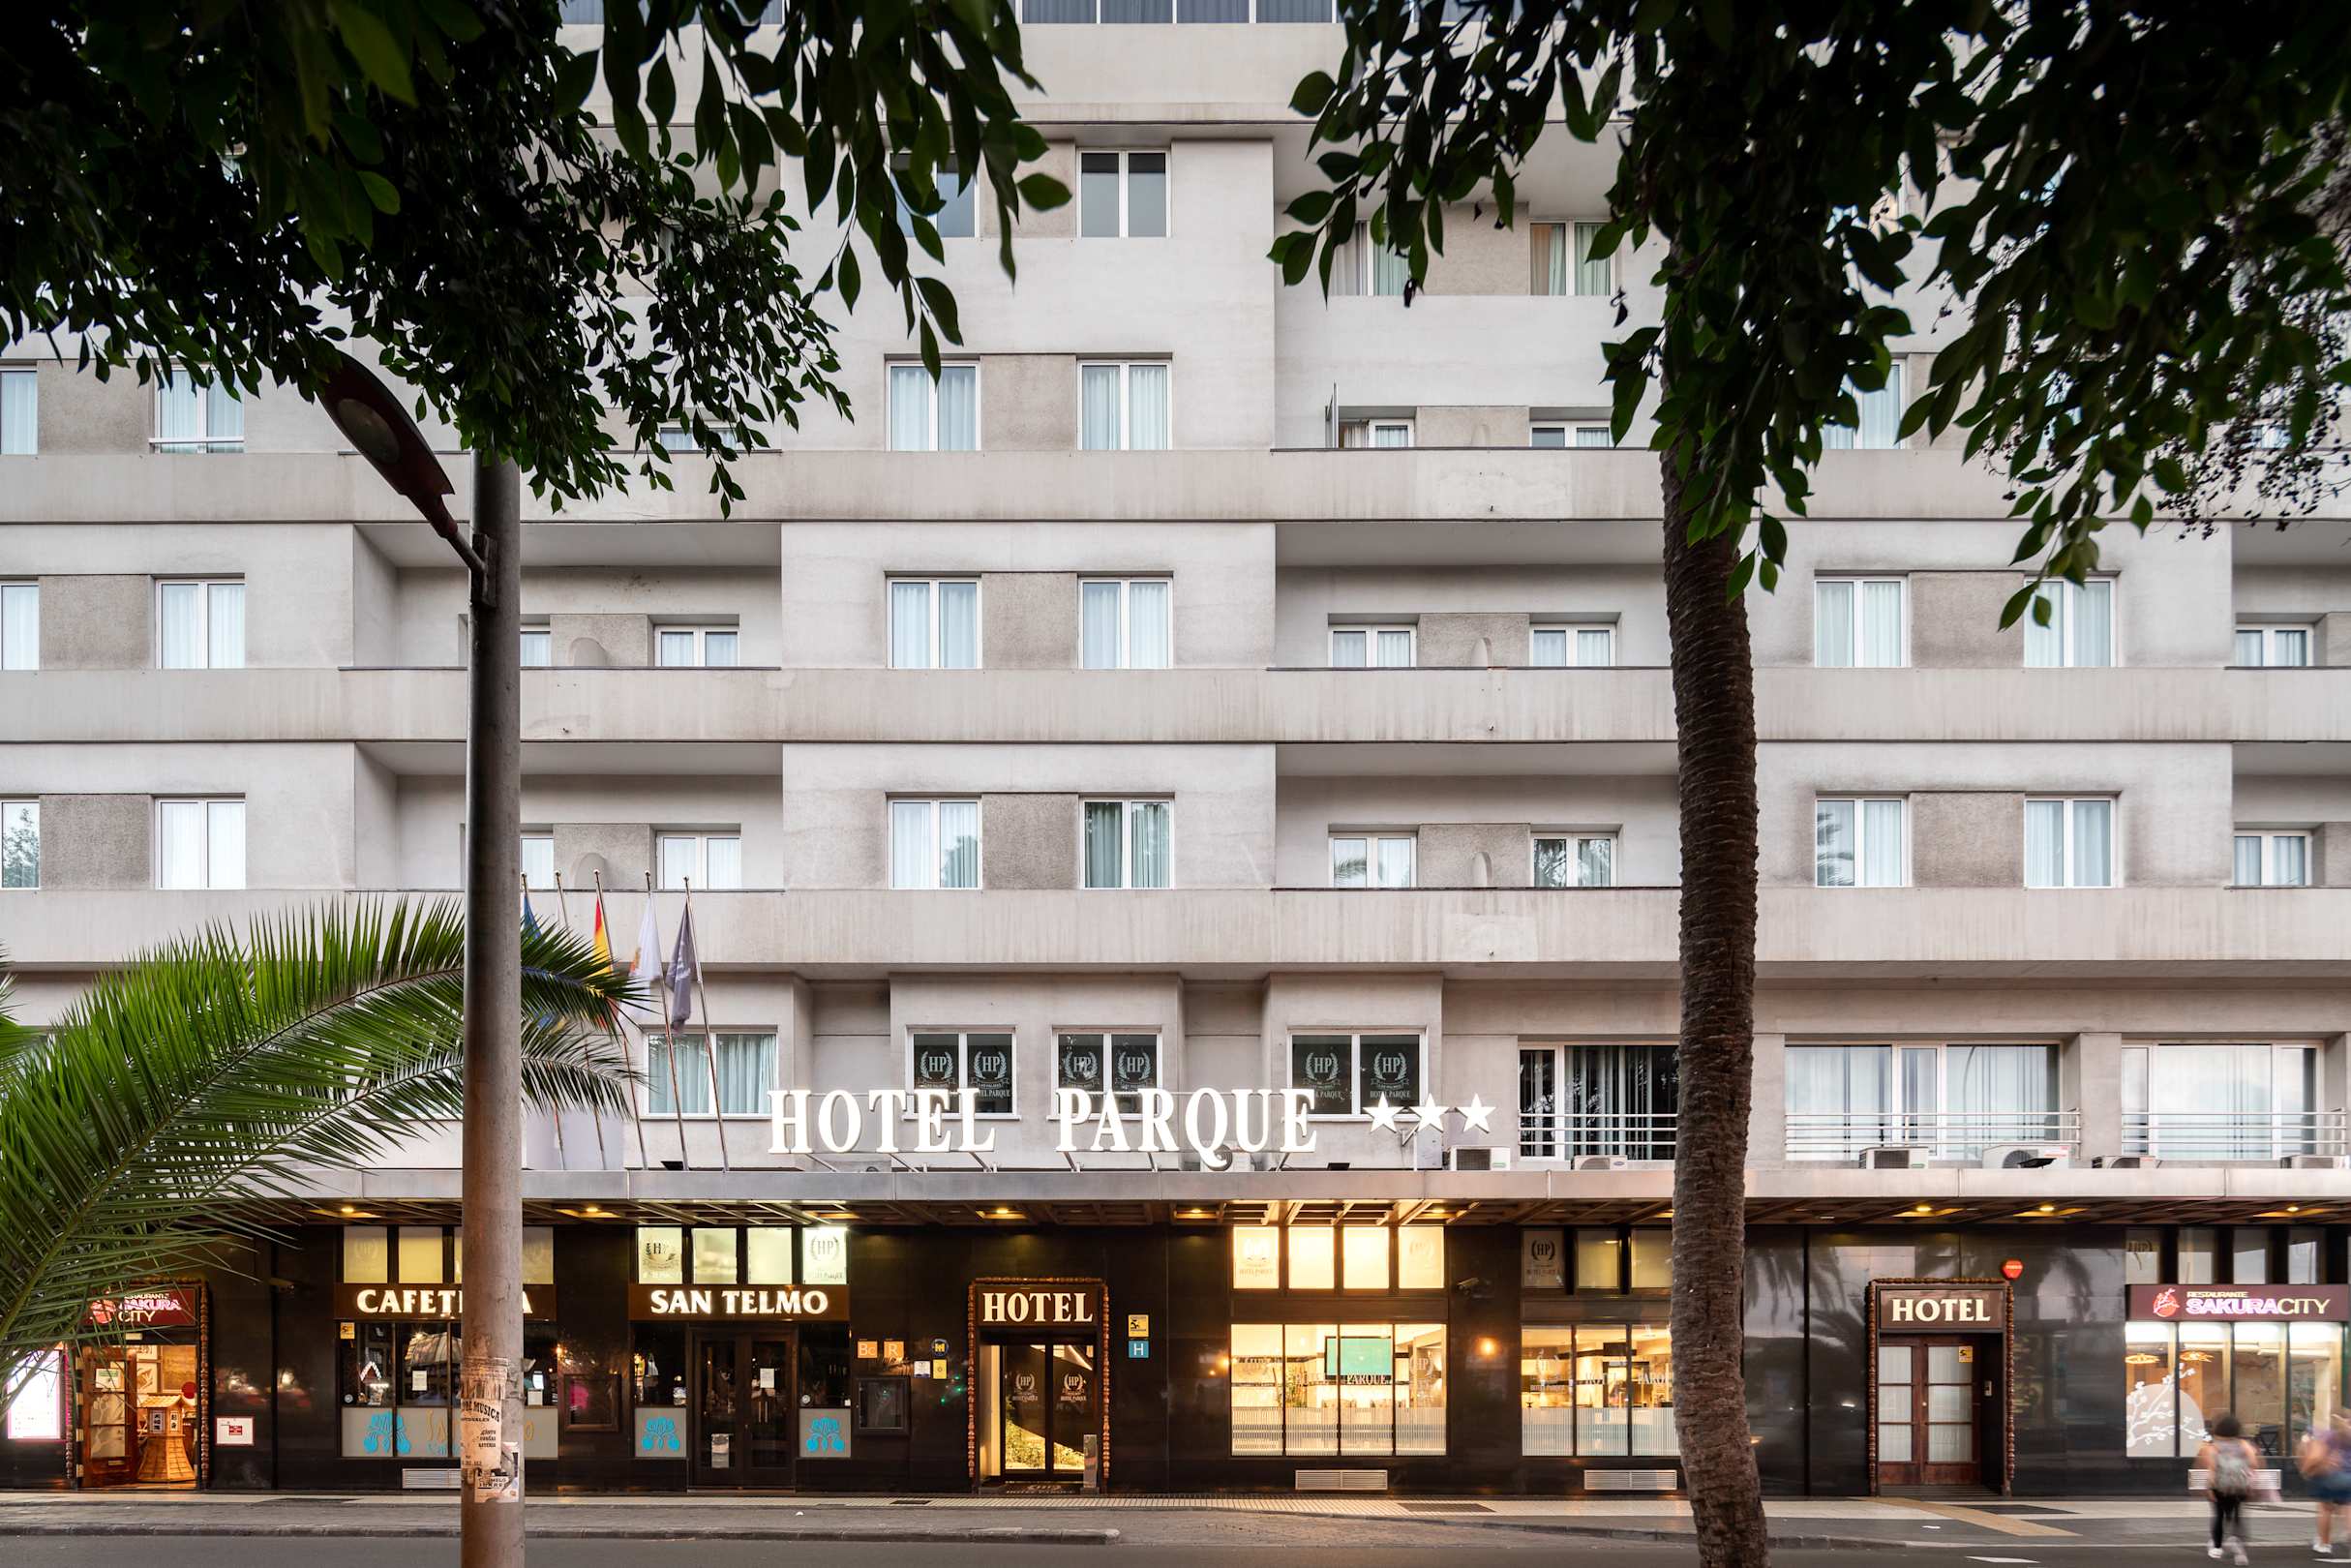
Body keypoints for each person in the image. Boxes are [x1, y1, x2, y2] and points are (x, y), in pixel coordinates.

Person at [2202, 1413, 2259, 1564]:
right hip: (2240, 1487)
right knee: (2237, 1517)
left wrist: (2209, 1488)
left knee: (2219, 1516)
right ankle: (2239, 1547)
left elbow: (2212, 1469)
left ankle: (2217, 1548)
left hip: (2220, 1487)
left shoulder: (2214, 1447)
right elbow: (2253, 1464)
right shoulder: (2244, 1445)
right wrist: (2250, 1485)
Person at [2299, 1409, 2351, 1557]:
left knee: (2325, 1508)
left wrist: (2305, 1470)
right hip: (2349, 1477)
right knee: (2348, 1507)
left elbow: (2315, 1457)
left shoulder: (2328, 1436)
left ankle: (2324, 1544)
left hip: (2330, 1476)